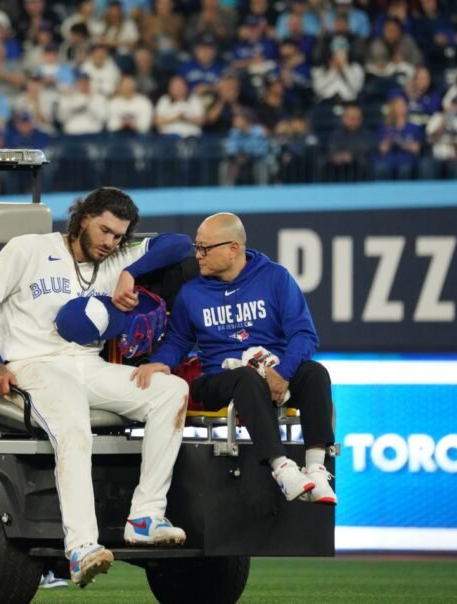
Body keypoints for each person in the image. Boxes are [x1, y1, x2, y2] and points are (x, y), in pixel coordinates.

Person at [0, 188, 193, 587]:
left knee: (170, 391)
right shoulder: (29, 248)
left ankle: (145, 516)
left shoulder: (117, 258)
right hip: (33, 365)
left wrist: (130, 271)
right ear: (83, 217)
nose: (110, 242)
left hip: (88, 364)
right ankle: (82, 547)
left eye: (119, 236)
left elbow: (181, 244)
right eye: (104, 230)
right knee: (73, 425)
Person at [140, 213, 337, 506]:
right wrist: (162, 362)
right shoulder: (191, 292)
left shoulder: (275, 277)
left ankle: (317, 467)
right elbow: (179, 340)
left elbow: (305, 335)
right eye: (197, 247)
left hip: (271, 373)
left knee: (315, 373)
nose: (198, 255)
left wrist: (282, 372)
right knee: (245, 378)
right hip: (217, 379)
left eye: (205, 248)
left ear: (233, 249)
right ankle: (281, 466)